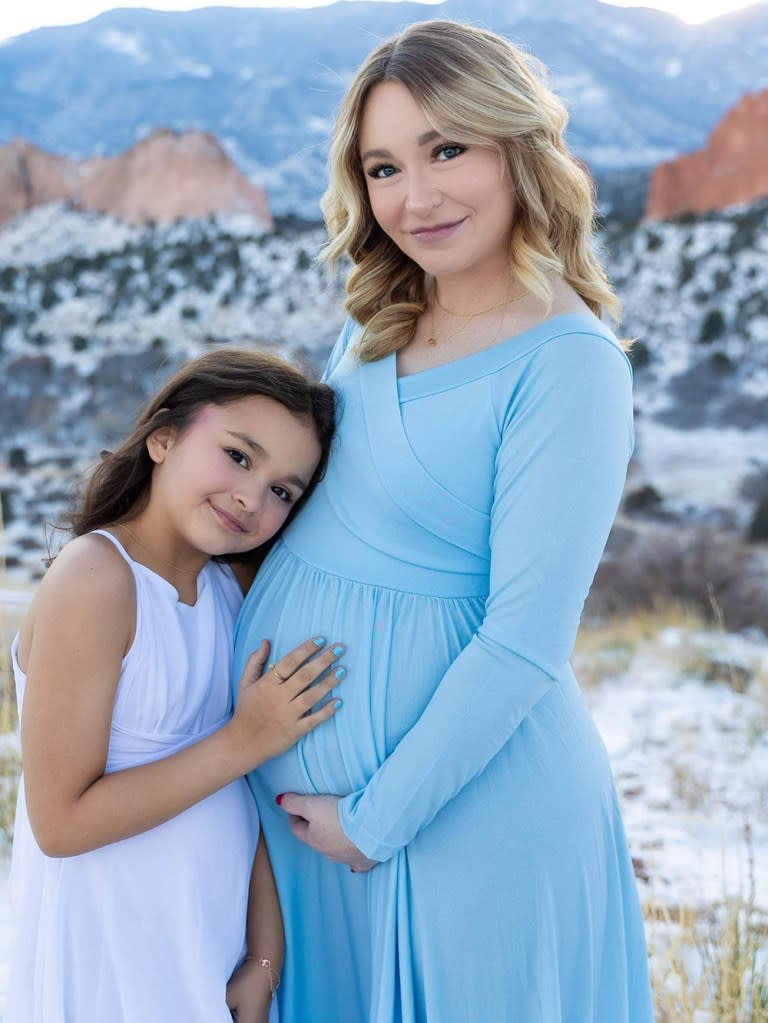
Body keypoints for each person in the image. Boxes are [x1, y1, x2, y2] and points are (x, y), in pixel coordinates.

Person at [232, 19, 654, 1023]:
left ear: (517, 147)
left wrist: (375, 821)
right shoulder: (376, 318)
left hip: (455, 823)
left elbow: (522, 641)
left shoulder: (569, 364)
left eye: (447, 149)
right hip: (309, 837)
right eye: (383, 167)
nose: (413, 198)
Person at [7, 349, 346, 1023]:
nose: (253, 497)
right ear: (163, 437)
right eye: (239, 456)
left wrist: (263, 957)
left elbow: (244, 800)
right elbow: (61, 821)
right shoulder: (97, 579)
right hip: (112, 957)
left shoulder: (233, 594)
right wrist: (244, 739)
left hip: (212, 952)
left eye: (284, 490)